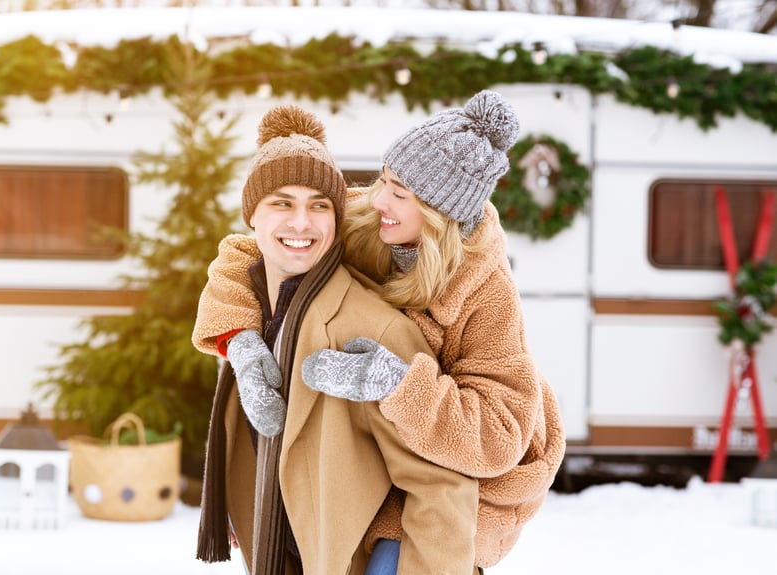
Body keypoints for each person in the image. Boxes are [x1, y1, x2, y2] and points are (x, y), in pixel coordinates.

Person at [192, 90, 566, 574]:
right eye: (385, 177)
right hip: (400, 450)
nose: (379, 196)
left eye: (400, 193)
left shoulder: (485, 292)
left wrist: (398, 384)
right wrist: (239, 342)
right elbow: (253, 253)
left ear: (438, 214)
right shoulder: (370, 216)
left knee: (396, 557)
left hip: (486, 471)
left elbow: (496, 438)